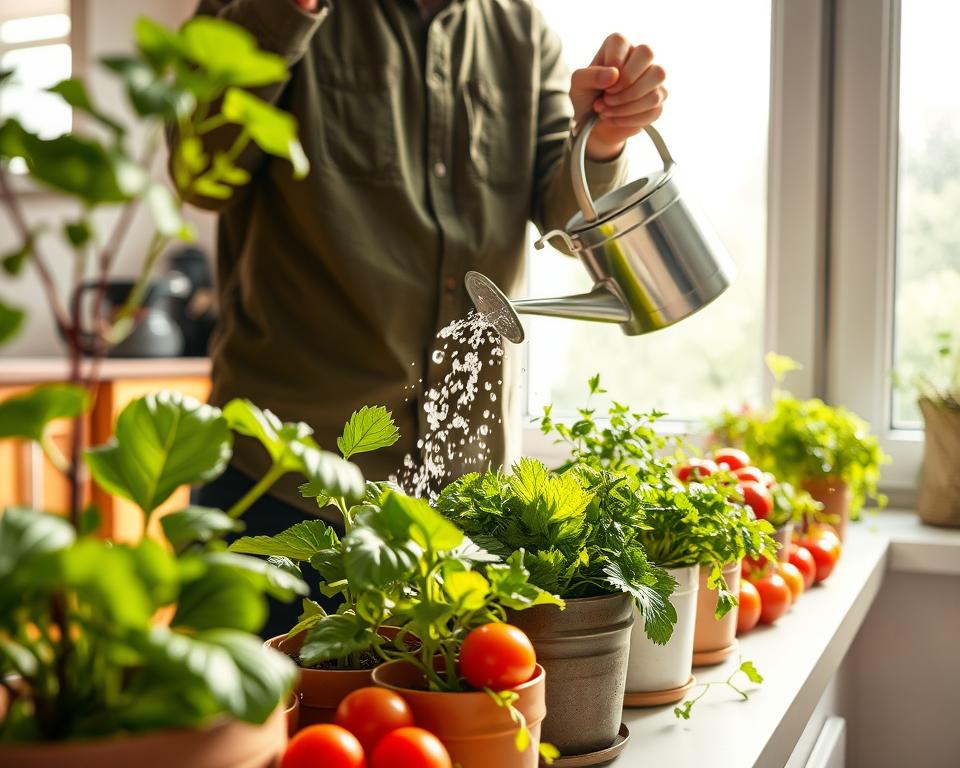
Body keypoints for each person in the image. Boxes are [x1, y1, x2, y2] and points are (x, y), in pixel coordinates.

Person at [184, 0, 666, 635]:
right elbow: (199, 176)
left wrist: (602, 136)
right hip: (283, 492)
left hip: (461, 509)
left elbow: (567, 217)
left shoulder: (521, 31)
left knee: (454, 733)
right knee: (252, 730)